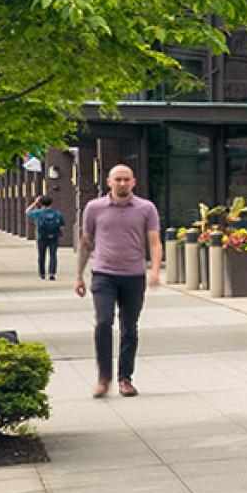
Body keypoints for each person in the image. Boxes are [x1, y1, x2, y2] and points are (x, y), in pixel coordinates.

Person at [74, 164, 162, 399]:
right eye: (118, 179)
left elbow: (154, 242)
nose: (122, 184)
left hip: (134, 276)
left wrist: (154, 270)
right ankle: (104, 378)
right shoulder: (93, 208)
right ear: (109, 182)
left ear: (133, 182)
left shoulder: (146, 208)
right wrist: (78, 276)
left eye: (126, 179)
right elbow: (85, 242)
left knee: (129, 328)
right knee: (103, 322)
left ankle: (125, 379)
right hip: (104, 274)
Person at [26, 195, 66, 281]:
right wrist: (59, 233)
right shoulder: (58, 213)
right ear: (51, 203)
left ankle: (42, 273)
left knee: (41, 255)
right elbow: (62, 226)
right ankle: (52, 273)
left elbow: (27, 212)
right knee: (53, 255)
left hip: (42, 236)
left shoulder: (38, 212)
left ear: (41, 203)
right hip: (54, 236)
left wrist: (35, 202)